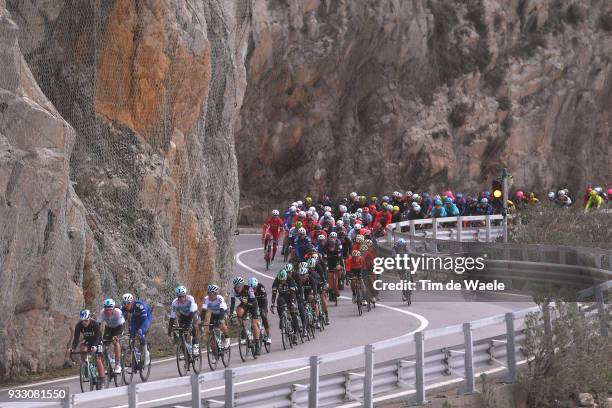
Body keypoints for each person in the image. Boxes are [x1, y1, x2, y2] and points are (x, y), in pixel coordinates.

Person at [69, 309, 104, 383]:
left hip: (97, 341)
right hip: (88, 340)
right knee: (82, 347)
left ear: (89, 319)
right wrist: (73, 348)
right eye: (82, 321)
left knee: (98, 358)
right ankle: (86, 368)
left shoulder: (95, 324)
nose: (84, 323)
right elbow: (76, 338)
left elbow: (97, 337)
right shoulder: (79, 325)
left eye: (86, 321)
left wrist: (94, 346)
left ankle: (102, 378)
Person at [229, 276, 261, 354]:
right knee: (238, 311)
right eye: (236, 286)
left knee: (254, 324)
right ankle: (243, 327)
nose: (237, 288)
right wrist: (231, 313)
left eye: (239, 286)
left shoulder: (249, 289)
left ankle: (257, 344)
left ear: (243, 285)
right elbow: (232, 303)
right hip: (245, 304)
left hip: (253, 304)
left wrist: (249, 304)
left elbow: (253, 300)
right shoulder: (233, 291)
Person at [271, 267, 301, 343]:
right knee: (279, 302)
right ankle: (282, 318)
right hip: (282, 296)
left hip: (290, 295)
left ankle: (295, 334)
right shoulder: (276, 280)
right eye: (280, 281)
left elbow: (293, 294)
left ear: (286, 277)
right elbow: (274, 293)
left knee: (292, 312)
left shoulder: (290, 279)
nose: (282, 282)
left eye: (283, 280)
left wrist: (292, 303)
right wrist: (272, 303)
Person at [121, 293, 152, 365]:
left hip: (146, 318)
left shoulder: (139, 305)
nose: (126, 305)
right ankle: (136, 353)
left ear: (132, 302)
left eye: (128, 303)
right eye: (124, 303)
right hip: (135, 318)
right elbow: (121, 320)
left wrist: (140, 329)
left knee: (140, 332)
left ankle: (146, 352)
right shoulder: (123, 308)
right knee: (131, 332)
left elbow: (144, 319)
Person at [167, 286, 199, 356]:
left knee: (192, 326)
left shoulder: (190, 299)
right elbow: (172, 317)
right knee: (181, 334)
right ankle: (186, 356)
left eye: (182, 296)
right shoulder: (175, 303)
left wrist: (188, 325)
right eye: (179, 297)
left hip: (193, 313)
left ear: (185, 295)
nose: (181, 298)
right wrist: (170, 329)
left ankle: (195, 345)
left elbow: (192, 313)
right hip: (184, 315)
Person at [97, 298, 125, 374]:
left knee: (115, 341)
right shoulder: (102, 313)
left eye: (109, 309)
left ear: (113, 308)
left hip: (118, 328)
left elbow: (122, 326)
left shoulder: (118, 312)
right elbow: (97, 327)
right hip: (108, 329)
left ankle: (117, 364)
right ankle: (108, 362)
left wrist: (117, 336)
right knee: (102, 345)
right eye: (106, 309)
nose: (108, 311)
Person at [200, 284, 231, 348]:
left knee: (222, 324)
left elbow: (222, 309)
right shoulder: (206, 299)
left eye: (213, 294)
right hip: (214, 314)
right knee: (211, 330)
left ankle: (227, 338)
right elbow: (203, 311)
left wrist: (222, 319)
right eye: (209, 294)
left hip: (222, 312)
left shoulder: (220, 298)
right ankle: (216, 347)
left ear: (216, 293)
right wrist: (202, 320)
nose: (211, 296)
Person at [250, 277, 272, 345]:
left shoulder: (261, 286)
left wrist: (261, 308)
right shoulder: (249, 289)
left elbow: (265, 296)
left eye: (254, 287)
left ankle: (268, 335)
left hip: (262, 302)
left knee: (263, 314)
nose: (253, 289)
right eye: (252, 288)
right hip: (254, 303)